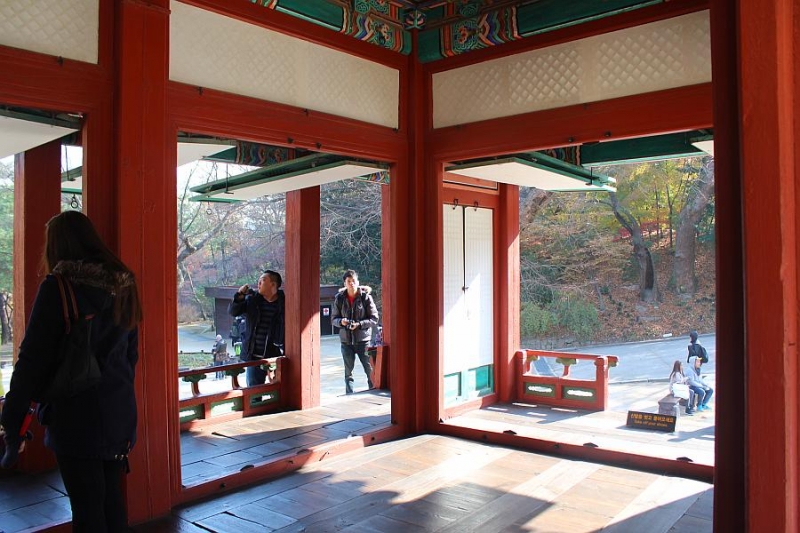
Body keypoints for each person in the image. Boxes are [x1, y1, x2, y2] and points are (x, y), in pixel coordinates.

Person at [0, 210, 142, 532]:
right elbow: (130, 355)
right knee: (112, 502)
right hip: (119, 411)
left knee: (86, 508)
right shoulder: (124, 284)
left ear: (57, 246)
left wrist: (13, 420)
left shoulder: (59, 287)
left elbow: (32, 359)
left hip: (77, 415)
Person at [228, 270, 285, 386]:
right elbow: (233, 312)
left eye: (262, 281)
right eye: (258, 281)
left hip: (275, 356)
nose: (258, 283)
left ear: (273, 284)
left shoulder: (284, 303)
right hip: (253, 355)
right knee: (254, 390)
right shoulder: (253, 300)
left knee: (279, 388)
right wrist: (239, 295)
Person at [331, 270, 379, 394]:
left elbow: (374, 318)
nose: (351, 283)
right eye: (349, 281)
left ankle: (373, 392)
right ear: (345, 283)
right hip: (346, 342)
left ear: (358, 282)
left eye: (353, 281)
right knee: (348, 373)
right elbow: (333, 319)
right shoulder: (339, 298)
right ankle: (349, 395)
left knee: (369, 370)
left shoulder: (365, 297)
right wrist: (341, 321)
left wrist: (359, 324)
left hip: (363, 341)